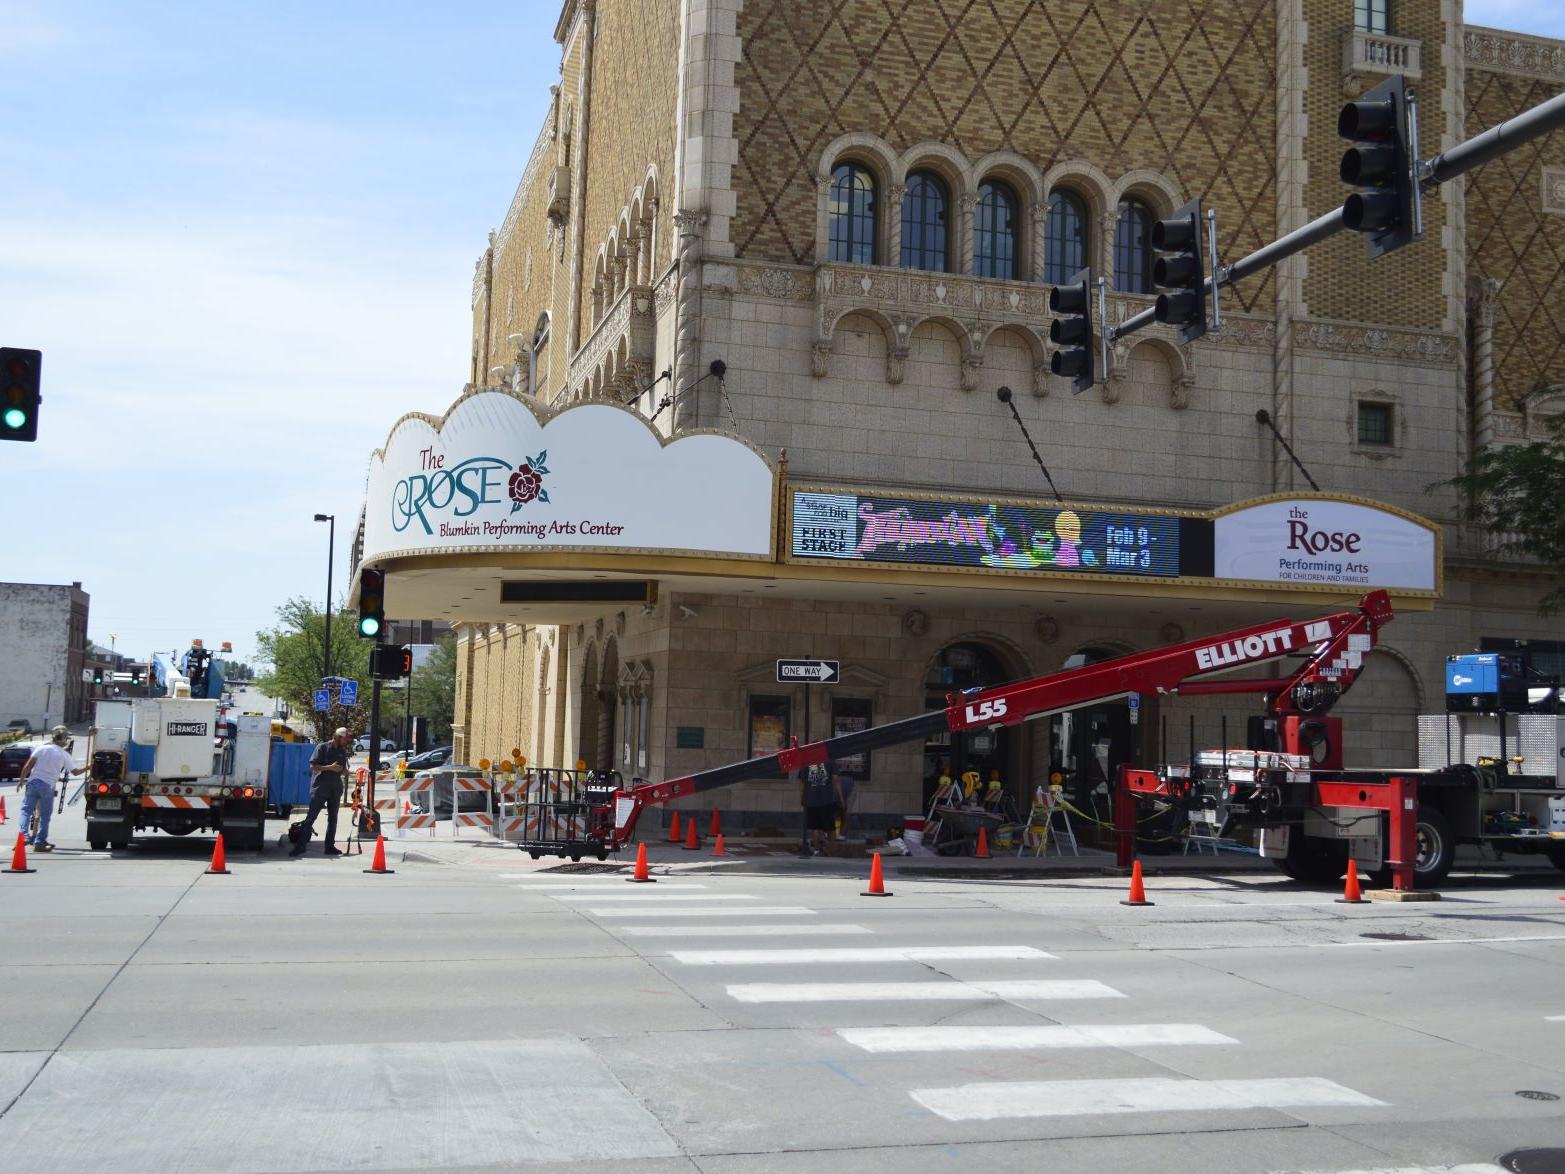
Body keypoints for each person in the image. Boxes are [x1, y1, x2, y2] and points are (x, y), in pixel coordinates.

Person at [19, 727, 86, 853]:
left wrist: (21, 780)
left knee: (26, 810)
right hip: (47, 786)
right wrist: (89, 767)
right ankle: (39, 843)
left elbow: (28, 765)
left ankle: (24, 836)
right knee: (45, 815)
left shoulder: (41, 748)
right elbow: (75, 772)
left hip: (33, 783)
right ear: (65, 740)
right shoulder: (64, 754)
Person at [291, 726, 352, 857]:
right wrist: (330, 767)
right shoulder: (322, 747)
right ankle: (300, 846)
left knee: (333, 819)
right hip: (320, 788)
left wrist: (348, 772)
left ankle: (329, 846)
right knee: (311, 818)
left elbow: (341, 769)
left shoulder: (342, 751)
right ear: (339, 737)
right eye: (345, 739)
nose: (346, 741)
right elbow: (313, 766)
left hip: (335, 789)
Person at [799, 759, 844, 858]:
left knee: (814, 828)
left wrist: (802, 797)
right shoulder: (830, 762)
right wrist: (840, 797)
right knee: (830, 828)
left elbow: (802, 782)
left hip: (811, 801)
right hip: (827, 800)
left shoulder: (805, 763)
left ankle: (816, 850)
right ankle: (830, 850)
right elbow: (836, 780)